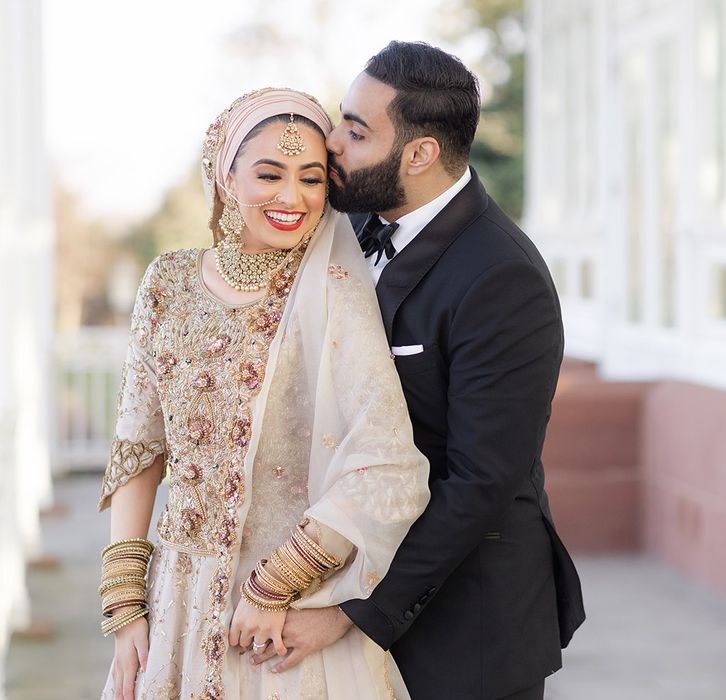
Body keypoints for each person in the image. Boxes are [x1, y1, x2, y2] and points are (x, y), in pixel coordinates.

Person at [251, 42, 586, 700]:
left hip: (464, 630)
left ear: (420, 154)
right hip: (342, 585)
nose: (331, 144)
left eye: (355, 130)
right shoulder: (339, 223)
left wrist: (355, 614)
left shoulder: (502, 276)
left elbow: (481, 479)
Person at [97, 87, 430, 700]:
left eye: (311, 179)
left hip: (282, 615)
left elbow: (387, 467)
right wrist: (125, 608)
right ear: (226, 177)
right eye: (269, 174)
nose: (291, 197)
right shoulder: (167, 283)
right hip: (174, 603)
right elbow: (139, 448)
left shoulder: (335, 293)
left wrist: (273, 584)